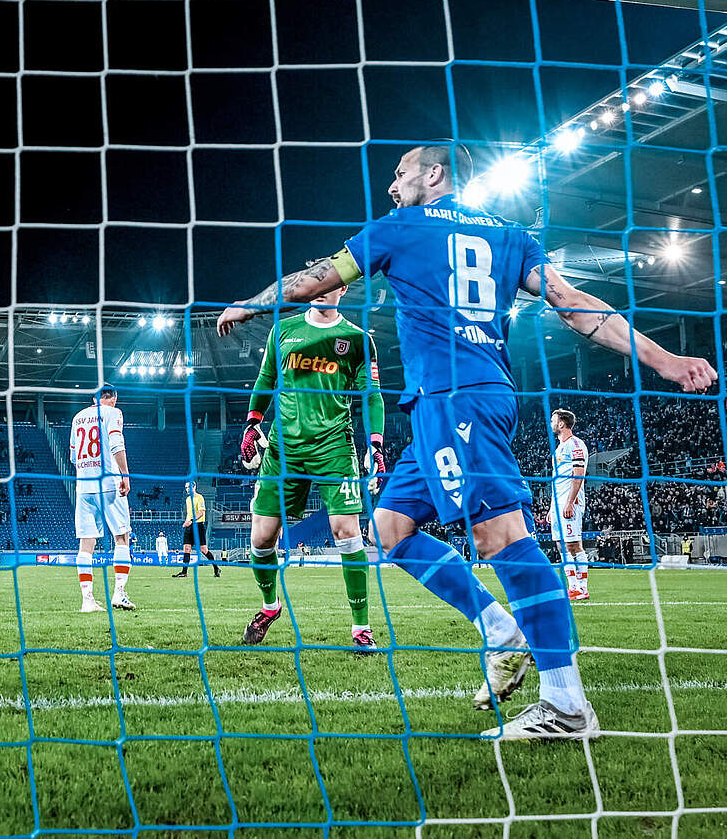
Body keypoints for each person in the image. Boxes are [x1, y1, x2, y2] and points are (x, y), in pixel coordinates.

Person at [217, 142, 714, 739]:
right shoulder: (509, 234)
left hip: (457, 400)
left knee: (502, 537)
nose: (393, 185)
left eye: (400, 173)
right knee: (390, 527)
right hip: (460, 399)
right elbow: (574, 305)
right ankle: (500, 629)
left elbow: (312, 282)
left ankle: (566, 705)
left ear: (434, 173)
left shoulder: (399, 226)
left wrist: (248, 304)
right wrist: (663, 360)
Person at [236, 285, 385, 651]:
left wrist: (376, 443)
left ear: (343, 288)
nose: (320, 291)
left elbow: (371, 395)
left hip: (334, 446)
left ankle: (361, 628)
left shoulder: (357, 339)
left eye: (329, 284)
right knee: (261, 539)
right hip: (283, 449)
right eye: (315, 285)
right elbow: (266, 380)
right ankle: (270, 607)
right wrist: (253, 422)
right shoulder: (283, 330)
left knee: (346, 531)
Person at [69, 383, 134, 612]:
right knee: (122, 537)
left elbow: (74, 456)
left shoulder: (78, 417)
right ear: (113, 398)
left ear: (94, 398)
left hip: (84, 487)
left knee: (86, 544)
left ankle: (87, 600)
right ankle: (119, 593)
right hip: (109, 483)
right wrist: (125, 475)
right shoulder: (113, 413)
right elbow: (116, 444)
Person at [550, 409, 589, 600]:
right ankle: (573, 587)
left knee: (573, 545)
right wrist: (552, 506)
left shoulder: (575, 444)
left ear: (561, 423)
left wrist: (570, 502)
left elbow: (578, 473)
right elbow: (556, 480)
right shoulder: (558, 449)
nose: (551, 423)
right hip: (558, 504)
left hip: (570, 503)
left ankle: (582, 588)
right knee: (561, 545)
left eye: (553, 420)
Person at [173, 482, 220, 578]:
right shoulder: (188, 499)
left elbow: (201, 512)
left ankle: (216, 568)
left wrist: (191, 521)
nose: (187, 489)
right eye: (186, 487)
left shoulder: (199, 497)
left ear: (194, 487)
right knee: (186, 548)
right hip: (189, 525)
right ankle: (184, 572)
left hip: (198, 525)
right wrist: (186, 522)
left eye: (188, 487)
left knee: (203, 550)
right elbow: (189, 513)